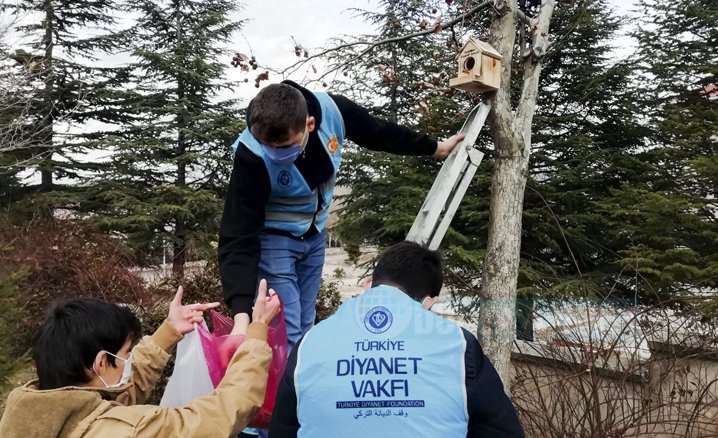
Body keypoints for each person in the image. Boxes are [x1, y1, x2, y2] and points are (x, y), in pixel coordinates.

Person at [218, 80, 464, 349]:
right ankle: (283, 389)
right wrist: (241, 318)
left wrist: (434, 147)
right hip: (275, 242)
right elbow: (238, 234)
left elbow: (380, 132)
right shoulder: (251, 155)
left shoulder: (334, 112)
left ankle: (299, 383)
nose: (276, 155)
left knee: (305, 323)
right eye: (270, 147)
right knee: (285, 329)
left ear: (310, 125)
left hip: (314, 238)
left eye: (286, 146)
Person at [269, 241, 525, 437]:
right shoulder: (458, 346)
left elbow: (283, 430)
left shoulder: (311, 343)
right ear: (430, 302)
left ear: (370, 283)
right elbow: (503, 431)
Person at [0, 281, 281, 438]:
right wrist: (257, 333)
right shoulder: (129, 432)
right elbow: (219, 414)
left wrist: (168, 333)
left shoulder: (32, 414)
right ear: (100, 363)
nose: (128, 365)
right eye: (125, 356)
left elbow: (115, 397)